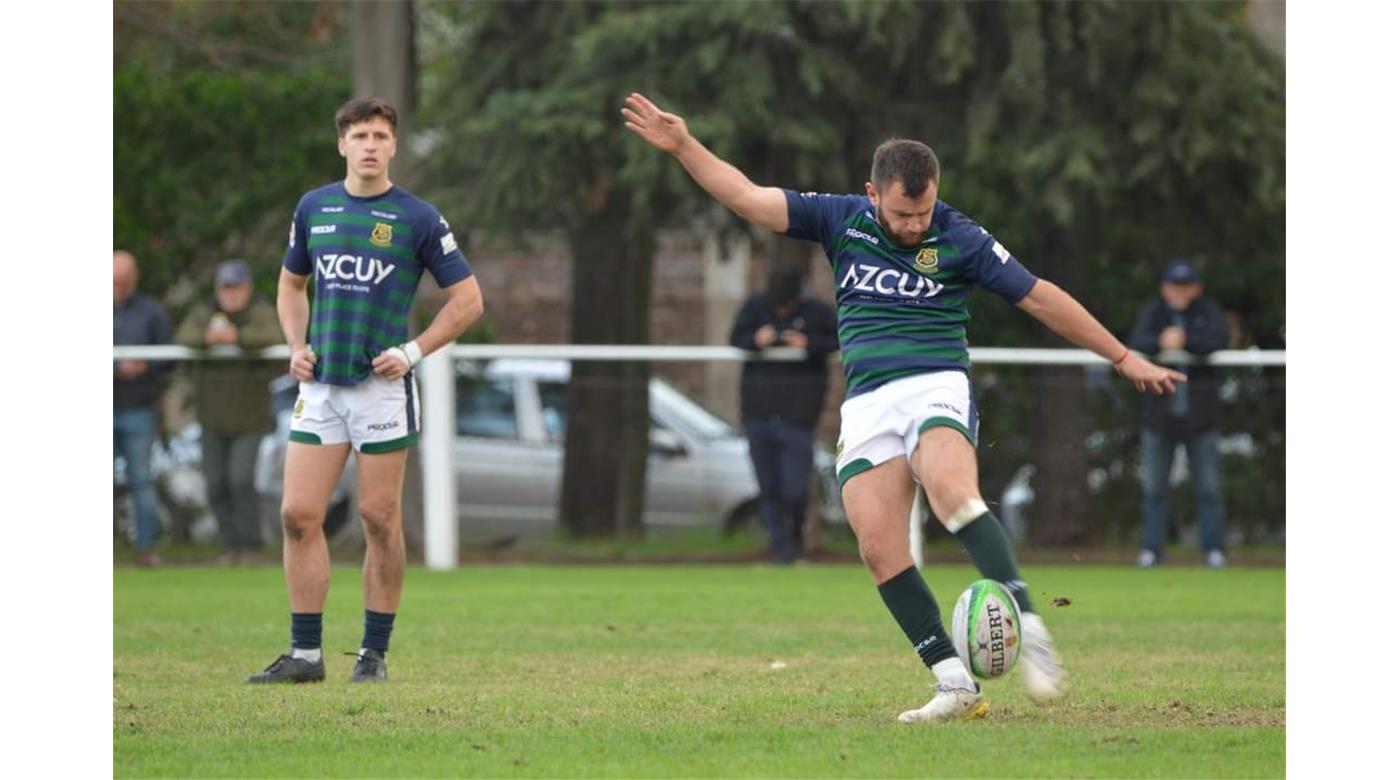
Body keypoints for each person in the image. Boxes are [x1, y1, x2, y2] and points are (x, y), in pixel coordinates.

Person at [622, 92, 1185, 723]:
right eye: (902, 212)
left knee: (950, 493)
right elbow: (748, 197)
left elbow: (1041, 297)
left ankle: (1029, 624)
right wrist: (685, 146)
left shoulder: (962, 236)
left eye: (922, 210)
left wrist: (1121, 355)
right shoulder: (839, 219)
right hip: (867, 402)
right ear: (872, 193)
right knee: (877, 545)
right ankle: (955, 683)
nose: (915, 224)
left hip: (934, 383)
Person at [247, 97, 485, 685]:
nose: (371, 145)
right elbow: (289, 286)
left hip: (381, 390)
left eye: (381, 135)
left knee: (379, 519)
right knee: (298, 514)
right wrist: (295, 344)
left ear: (394, 146)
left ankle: (373, 655)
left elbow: (469, 302)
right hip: (322, 390)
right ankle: (305, 655)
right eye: (360, 135)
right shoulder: (315, 207)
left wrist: (412, 352)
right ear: (342, 145)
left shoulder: (419, 218)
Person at [175, 259, 283, 564]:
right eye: (225, 287)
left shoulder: (260, 310)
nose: (230, 293)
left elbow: (275, 336)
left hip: (250, 417)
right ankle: (227, 545)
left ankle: (250, 546)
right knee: (215, 482)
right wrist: (208, 339)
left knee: (240, 480)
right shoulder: (204, 311)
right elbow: (184, 337)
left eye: (236, 287)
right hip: (211, 417)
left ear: (247, 287)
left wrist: (238, 339)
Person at [1127, 260, 1230, 569]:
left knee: (1209, 489)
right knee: (1155, 489)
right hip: (1159, 418)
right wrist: (1161, 343)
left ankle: (1214, 550)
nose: (1180, 291)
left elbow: (1219, 341)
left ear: (1196, 288)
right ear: (1164, 287)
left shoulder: (1208, 312)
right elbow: (1134, 344)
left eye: (1186, 285)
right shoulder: (1152, 312)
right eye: (1174, 284)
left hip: (1201, 419)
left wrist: (1186, 341)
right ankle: (1151, 550)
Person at [729, 271, 838, 563]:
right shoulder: (755, 308)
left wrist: (806, 343)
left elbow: (836, 341)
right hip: (758, 411)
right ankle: (779, 549)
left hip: (798, 415)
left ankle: (796, 541)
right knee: (768, 487)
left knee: (794, 488)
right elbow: (735, 338)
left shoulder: (818, 313)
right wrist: (756, 340)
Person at [114, 250, 173, 567]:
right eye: (113, 281)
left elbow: (169, 356)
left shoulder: (151, 312)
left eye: (123, 281)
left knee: (142, 480)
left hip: (139, 407)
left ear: (134, 278)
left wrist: (145, 365)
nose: (118, 287)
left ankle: (146, 548)